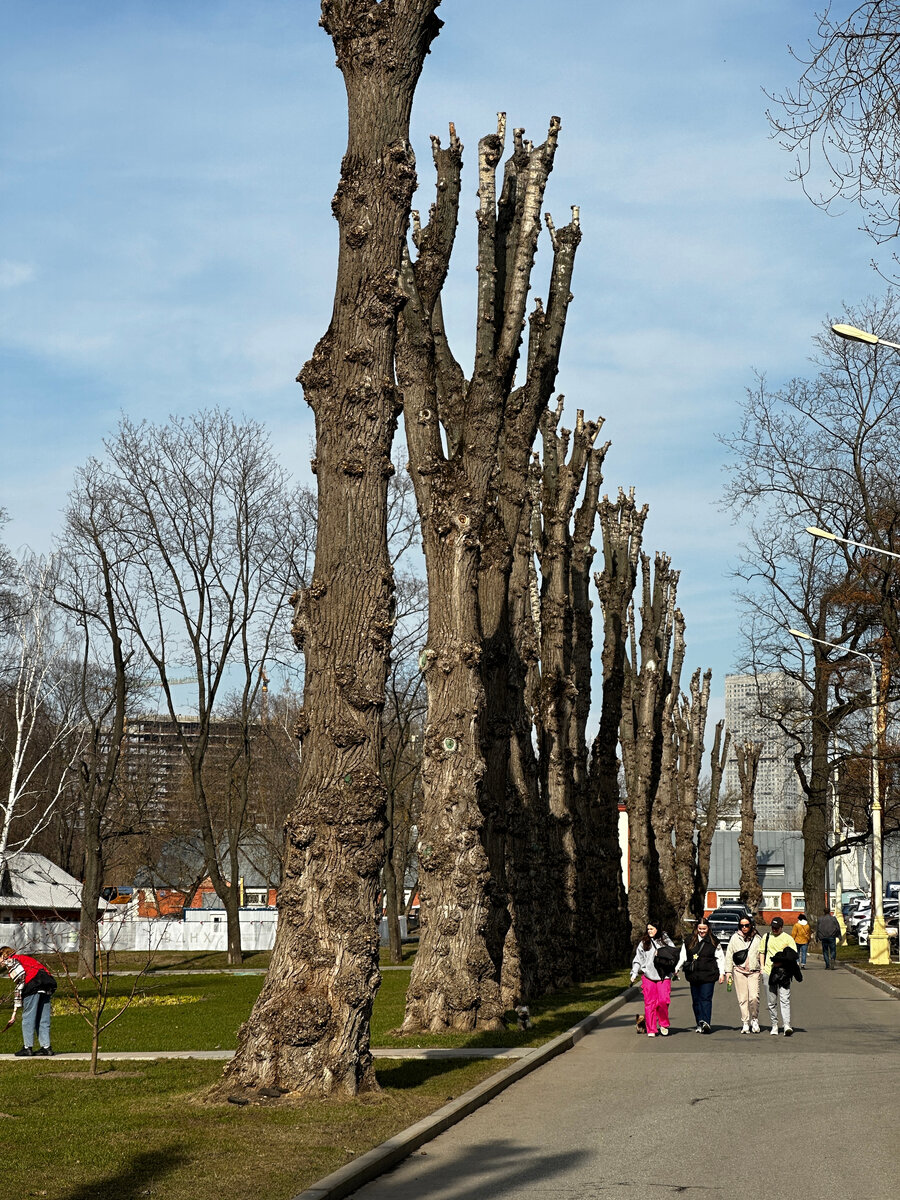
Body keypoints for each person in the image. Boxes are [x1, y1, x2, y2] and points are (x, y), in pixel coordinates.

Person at [1, 946, 56, 1056]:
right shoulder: (24, 958)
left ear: (4, 955)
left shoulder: (11, 961)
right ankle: (46, 1047)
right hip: (47, 985)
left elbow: (21, 981)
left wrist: (15, 1010)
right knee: (43, 1018)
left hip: (33, 986)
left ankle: (27, 1047)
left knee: (28, 1017)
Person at [676, 918, 725, 1033]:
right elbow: (683, 956)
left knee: (706, 998)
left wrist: (722, 973)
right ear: (696, 929)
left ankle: (706, 1022)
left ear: (708, 929)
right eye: (700, 929)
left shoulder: (714, 941)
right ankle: (699, 1022)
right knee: (696, 1000)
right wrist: (676, 968)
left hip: (709, 975)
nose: (702, 931)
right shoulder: (689, 941)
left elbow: (720, 958)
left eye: (704, 929)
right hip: (694, 975)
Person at [630, 922, 677, 1037]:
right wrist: (634, 972)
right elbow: (638, 959)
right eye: (648, 929)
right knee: (650, 1003)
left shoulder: (665, 940)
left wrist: (674, 967)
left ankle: (663, 1024)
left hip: (663, 976)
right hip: (648, 976)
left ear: (658, 929)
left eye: (652, 929)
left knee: (663, 1001)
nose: (649, 931)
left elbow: (674, 954)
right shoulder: (644, 943)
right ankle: (651, 1028)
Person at [759, 916, 798, 1035]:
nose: (774, 930)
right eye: (773, 927)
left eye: (777, 928)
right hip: (768, 972)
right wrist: (762, 967)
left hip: (784, 973)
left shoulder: (788, 939)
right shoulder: (766, 937)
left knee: (785, 999)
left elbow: (793, 955)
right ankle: (774, 1025)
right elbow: (762, 952)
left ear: (781, 927)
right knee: (771, 1001)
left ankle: (786, 1024)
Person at [724, 915, 762, 1033]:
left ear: (750, 925)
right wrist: (728, 972)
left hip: (754, 972)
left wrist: (763, 968)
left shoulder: (757, 938)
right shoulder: (735, 938)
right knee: (743, 998)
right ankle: (745, 1022)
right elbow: (729, 954)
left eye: (746, 925)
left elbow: (762, 953)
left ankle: (754, 1019)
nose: (744, 928)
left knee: (754, 997)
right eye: (741, 926)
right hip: (739, 971)